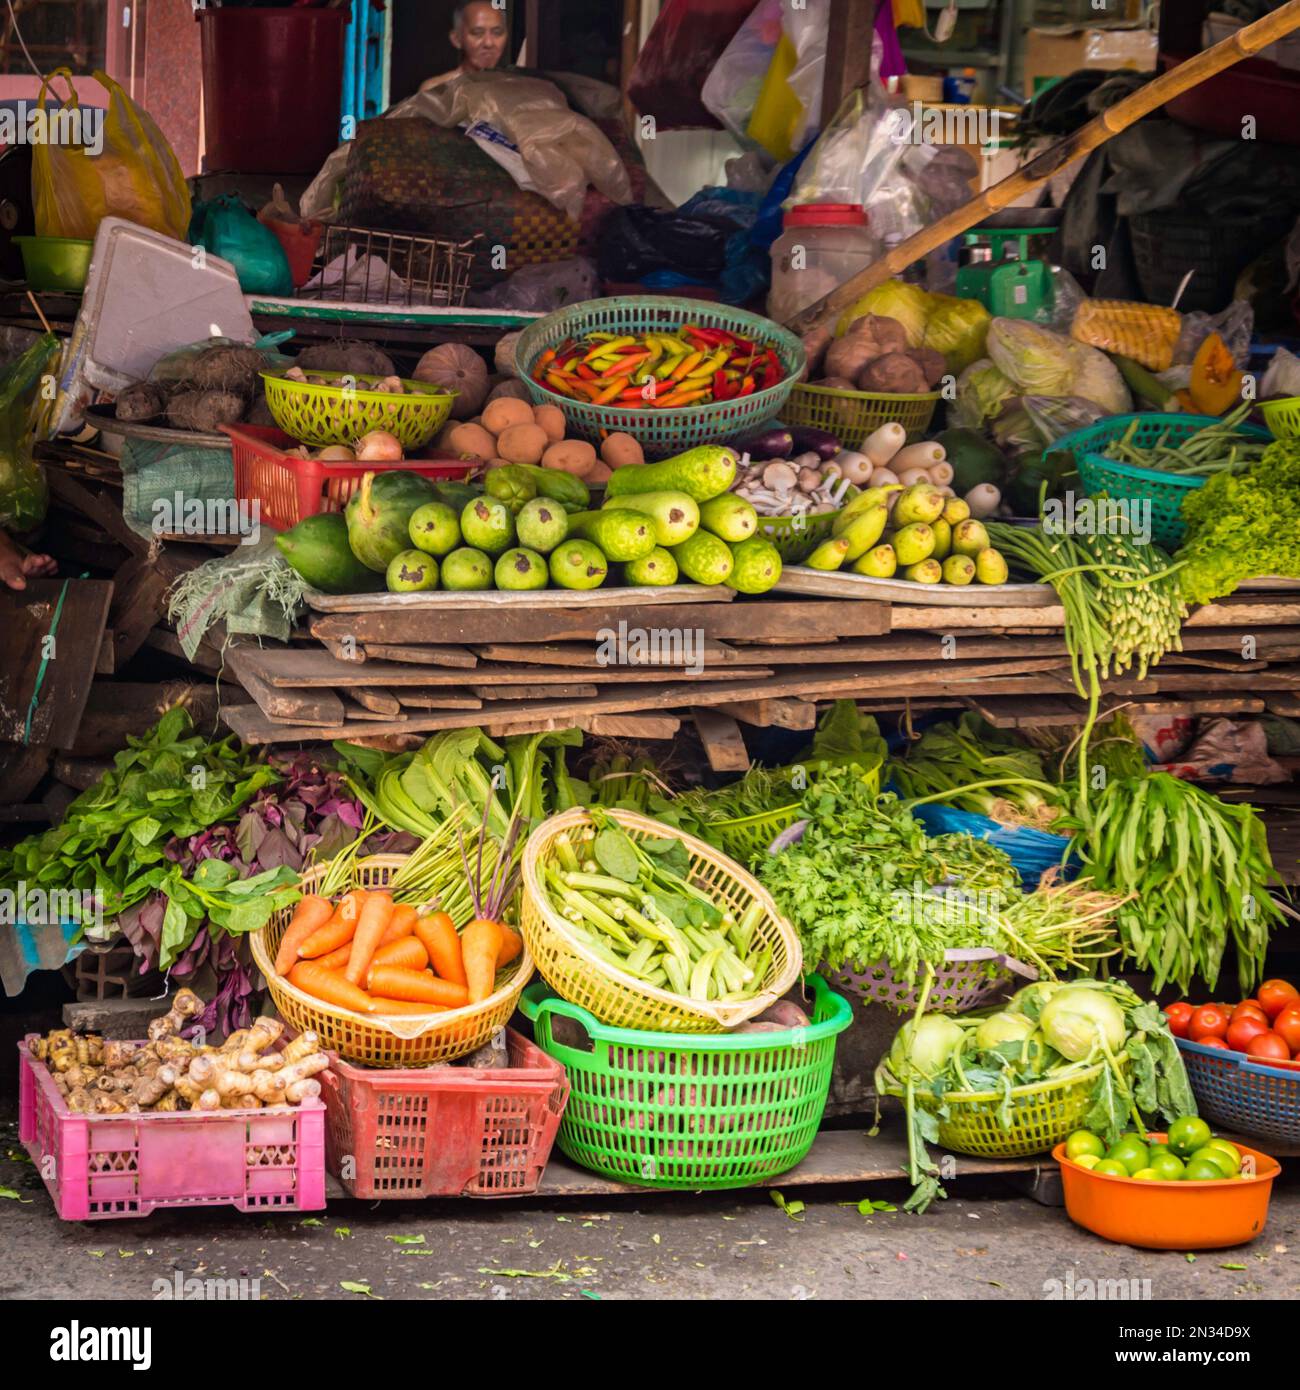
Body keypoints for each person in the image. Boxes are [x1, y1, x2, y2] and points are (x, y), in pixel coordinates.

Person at [421, 2, 509, 92]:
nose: (488, 43)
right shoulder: (437, 90)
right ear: (456, 39)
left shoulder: (512, 89)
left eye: (497, 32)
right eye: (477, 33)